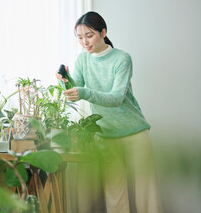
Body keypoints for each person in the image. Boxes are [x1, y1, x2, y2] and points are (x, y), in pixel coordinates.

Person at [56, 11, 163, 213]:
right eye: (79, 37)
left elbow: (116, 97)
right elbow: (75, 90)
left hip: (135, 133)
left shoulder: (122, 59)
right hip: (105, 135)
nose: (84, 42)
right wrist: (65, 81)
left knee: (147, 192)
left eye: (89, 35)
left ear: (103, 32)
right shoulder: (82, 60)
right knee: (114, 194)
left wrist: (83, 92)